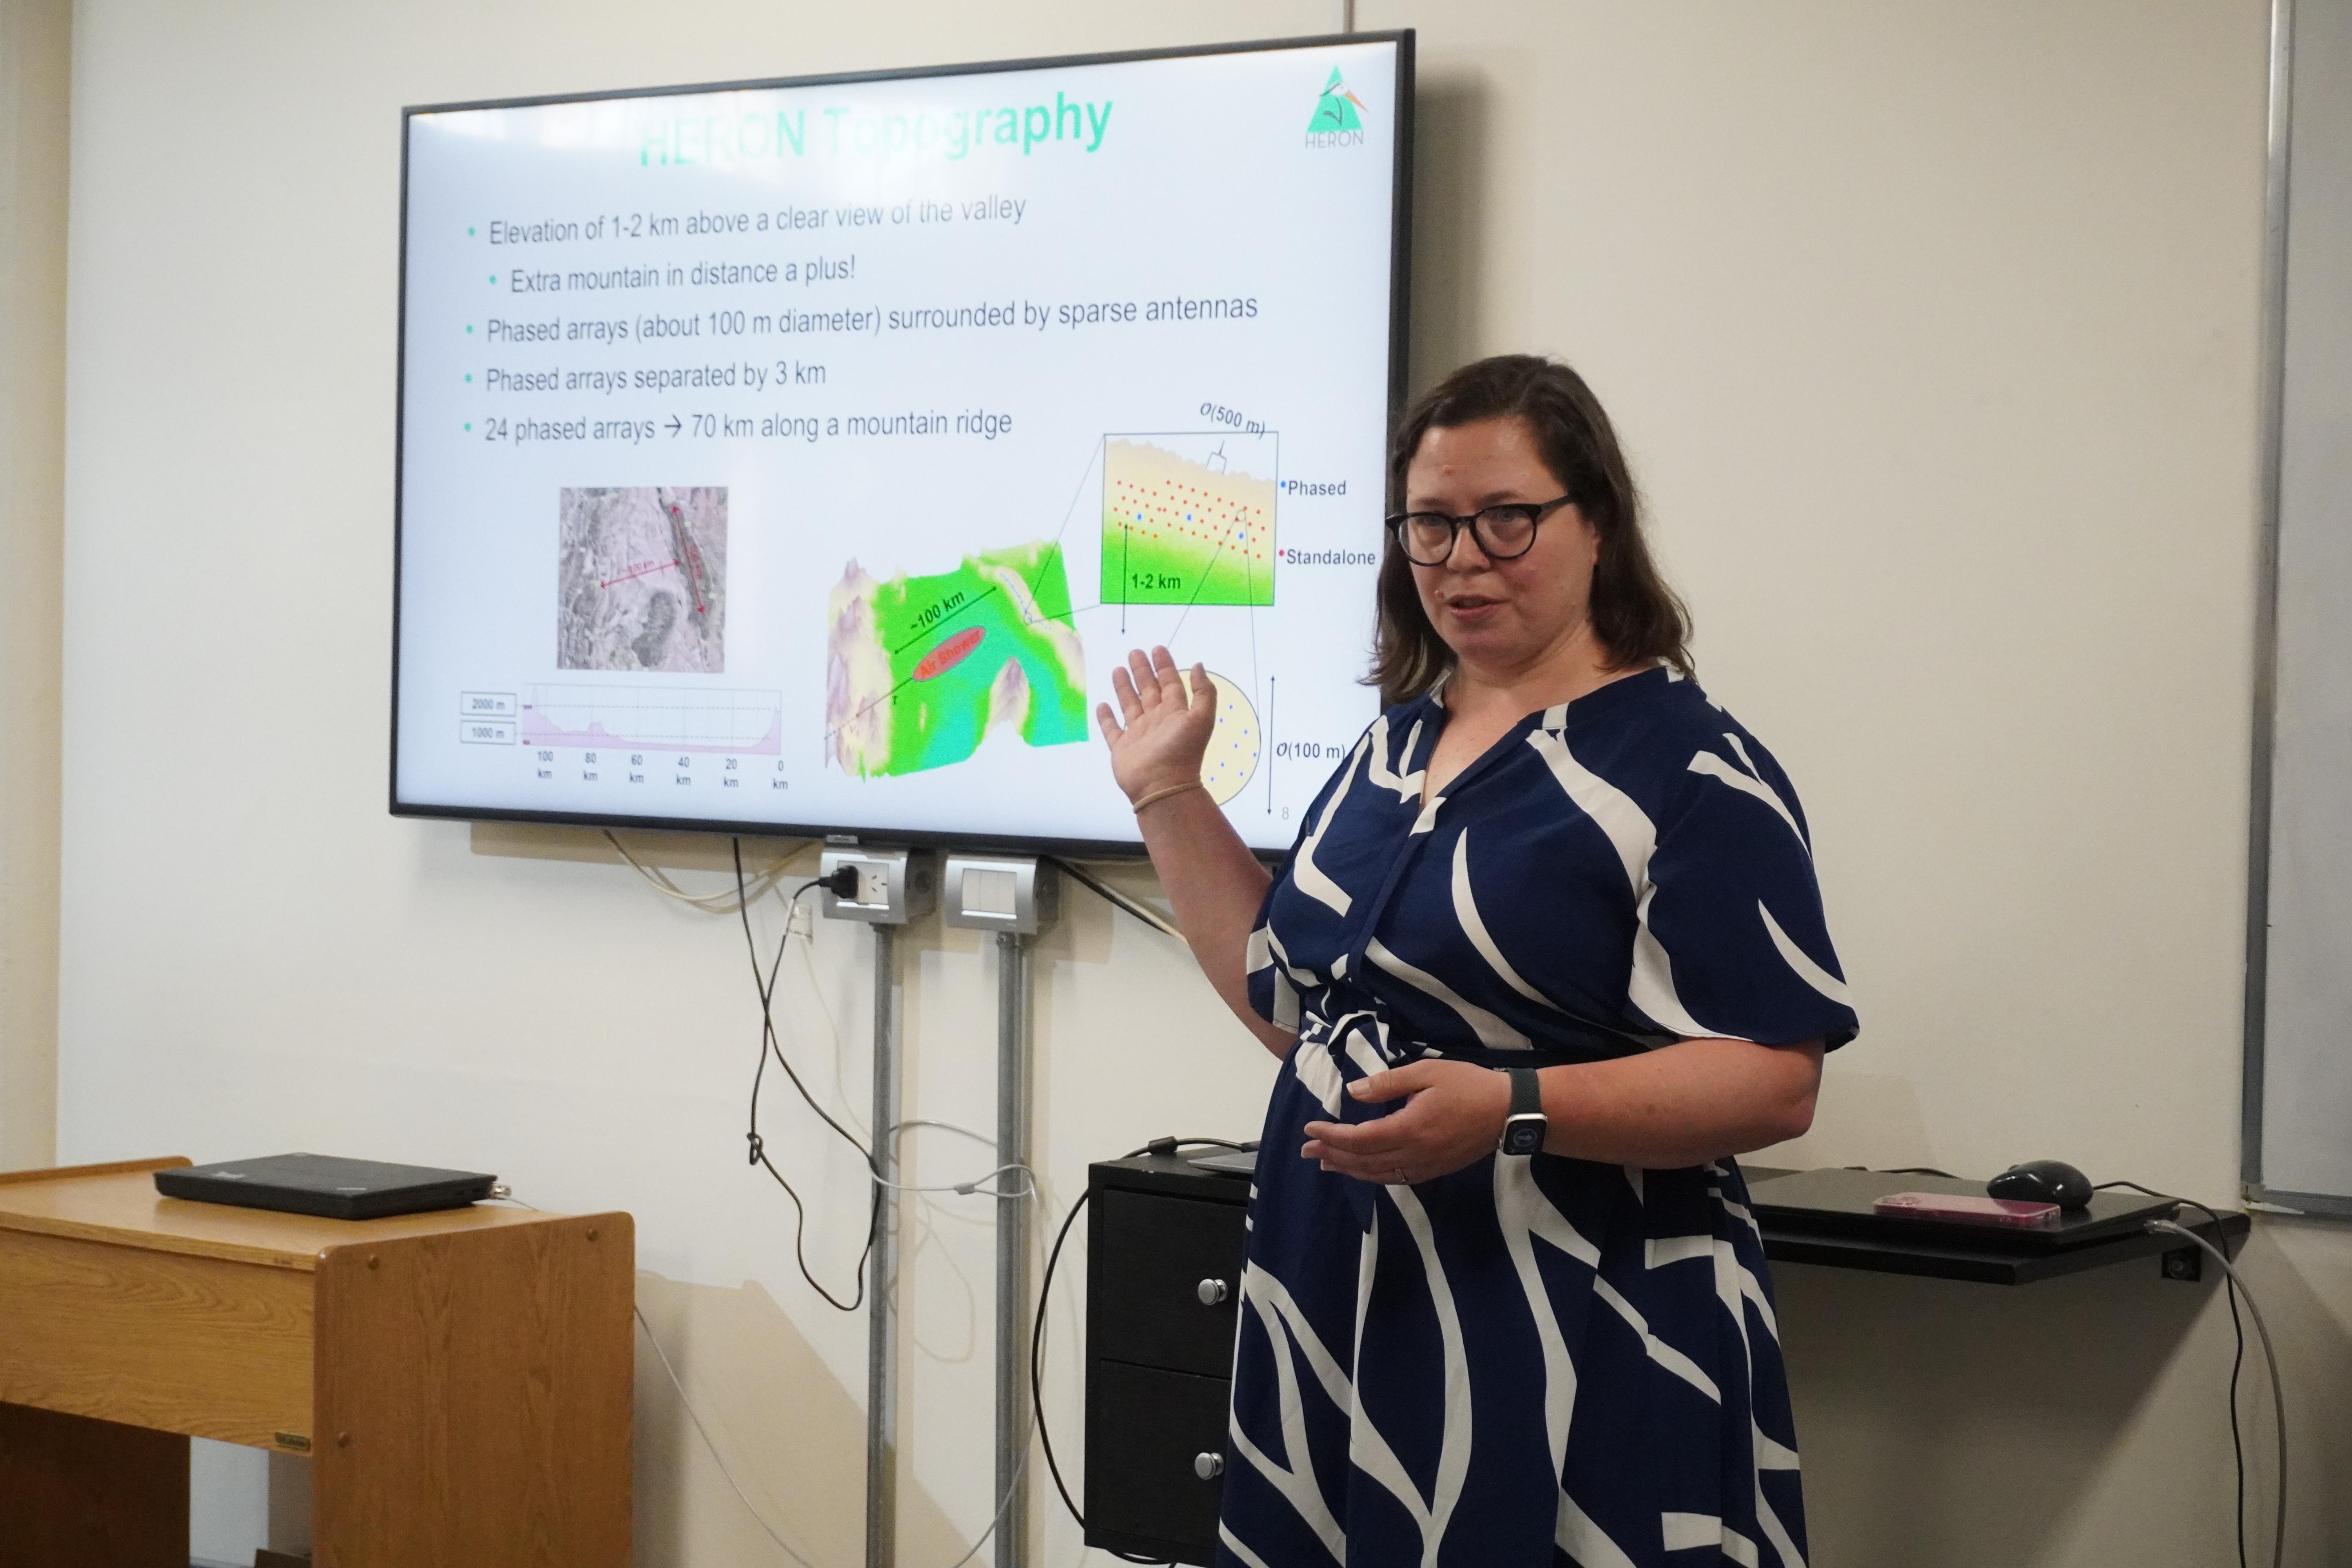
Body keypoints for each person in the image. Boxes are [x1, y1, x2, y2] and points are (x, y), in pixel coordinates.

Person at [1094, 354, 1856, 1568]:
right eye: (1431, 526)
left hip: (1573, 1317)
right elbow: (1295, 1009)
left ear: (1596, 521)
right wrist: (1169, 792)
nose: (1462, 558)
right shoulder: (1392, 747)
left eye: (1509, 519)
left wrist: (1513, 1108)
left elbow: (1776, 1079)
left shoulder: (1689, 767)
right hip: (1344, 1290)